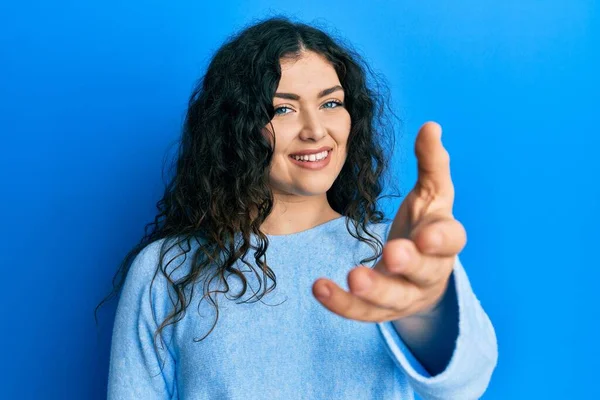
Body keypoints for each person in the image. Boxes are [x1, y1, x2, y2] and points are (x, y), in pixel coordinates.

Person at [97, 15, 498, 400]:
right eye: (282, 109)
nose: (315, 130)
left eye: (331, 103)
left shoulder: (395, 251)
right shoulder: (168, 269)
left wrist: (428, 312)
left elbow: (464, 385)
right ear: (235, 127)